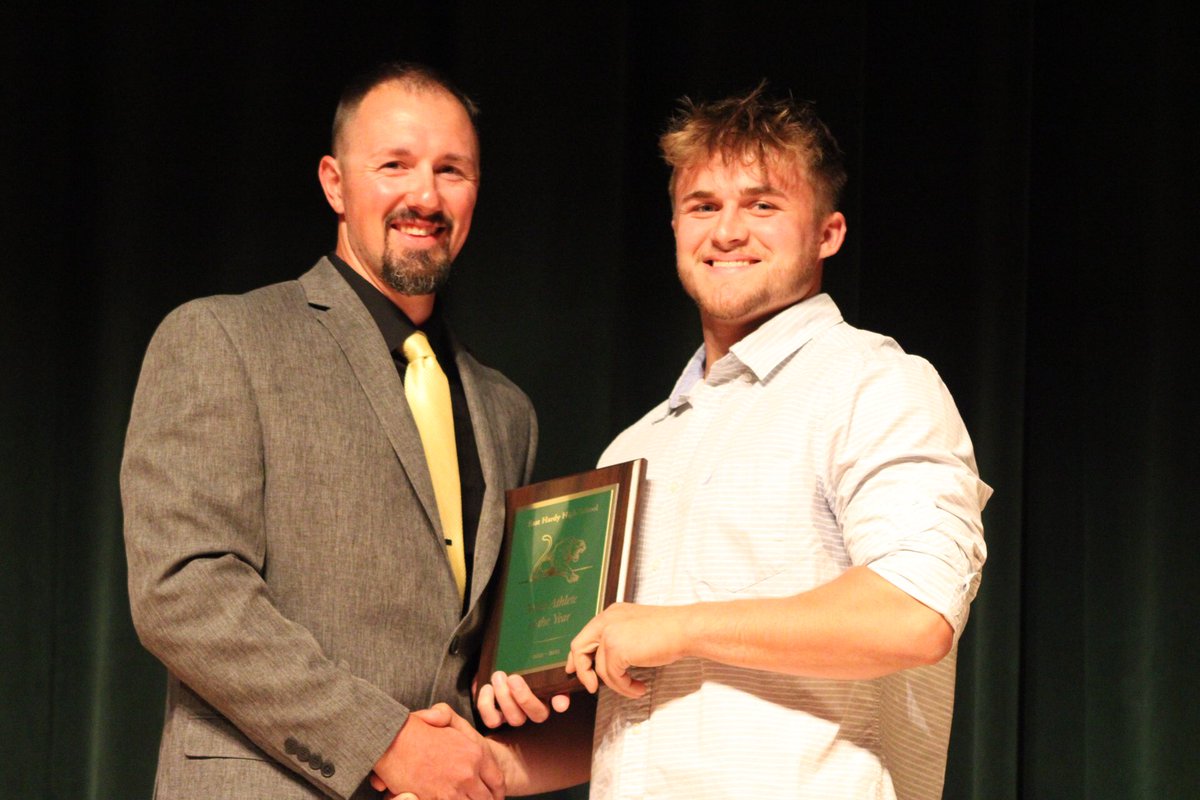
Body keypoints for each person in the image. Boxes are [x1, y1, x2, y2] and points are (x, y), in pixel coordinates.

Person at [477, 84, 991, 800]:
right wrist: (505, 746)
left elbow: (915, 613)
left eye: (763, 205)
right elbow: (629, 701)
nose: (727, 232)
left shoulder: (876, 385)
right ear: (675, 227)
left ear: (828, 233)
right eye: (703, 206)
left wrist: (680, 629)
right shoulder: (637, 446)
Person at [122, 61, 537, 800]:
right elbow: (183, 591)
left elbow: (479, 652)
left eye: (452, 170)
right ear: (335, 183)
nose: (425, 195)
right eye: (395, 165)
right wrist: (383, 740)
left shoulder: (507, 411)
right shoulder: (221, 338)